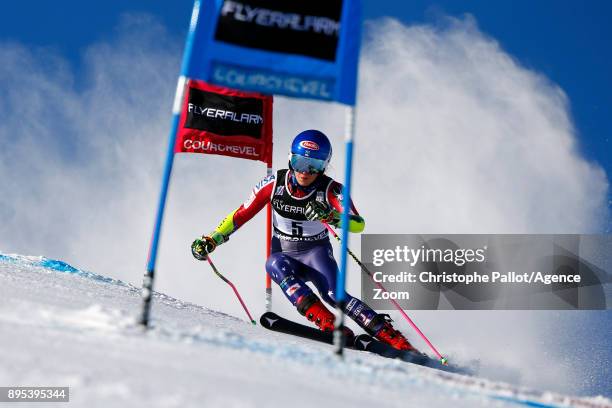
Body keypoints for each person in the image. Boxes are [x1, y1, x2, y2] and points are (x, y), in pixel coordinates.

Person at [191, 129, 415, 351]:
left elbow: (358, 223)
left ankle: (395, 340)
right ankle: (330, 326)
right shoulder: (273, 183)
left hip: (315, 253)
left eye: (313, 166)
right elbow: (241, 214)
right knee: (273, 264)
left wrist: (331, 216)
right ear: (290, 159)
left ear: (324, 166)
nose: (304, 172)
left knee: (334, 296)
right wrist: (213, 239)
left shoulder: (331, 189)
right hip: (285, 254)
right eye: (299, 162)